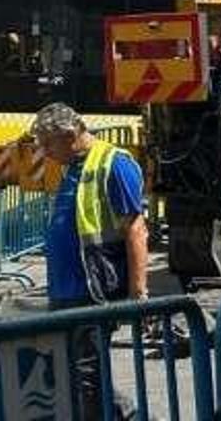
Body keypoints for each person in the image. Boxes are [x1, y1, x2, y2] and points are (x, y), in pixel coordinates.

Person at [31, 102, 149, 420]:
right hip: (66, 291)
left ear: (70, 134)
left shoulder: (114, 163)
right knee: (74, 375)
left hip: (91, 290)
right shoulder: (73, 166)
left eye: (47, 143)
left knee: (86, 378)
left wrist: (139, 294)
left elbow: (135, 230)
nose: (44, 152)